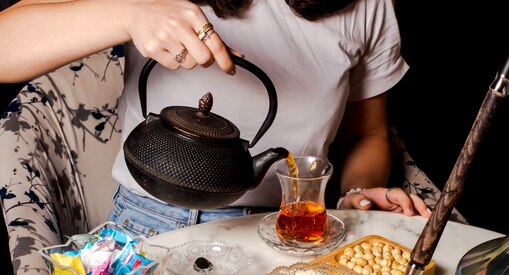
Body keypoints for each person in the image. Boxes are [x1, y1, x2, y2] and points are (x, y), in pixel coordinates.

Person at [0, 0, 430, 238]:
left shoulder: (369, 6)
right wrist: (130, 13)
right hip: (151, 222)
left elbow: (368, 134)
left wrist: (356, 193)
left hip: (289, 230)